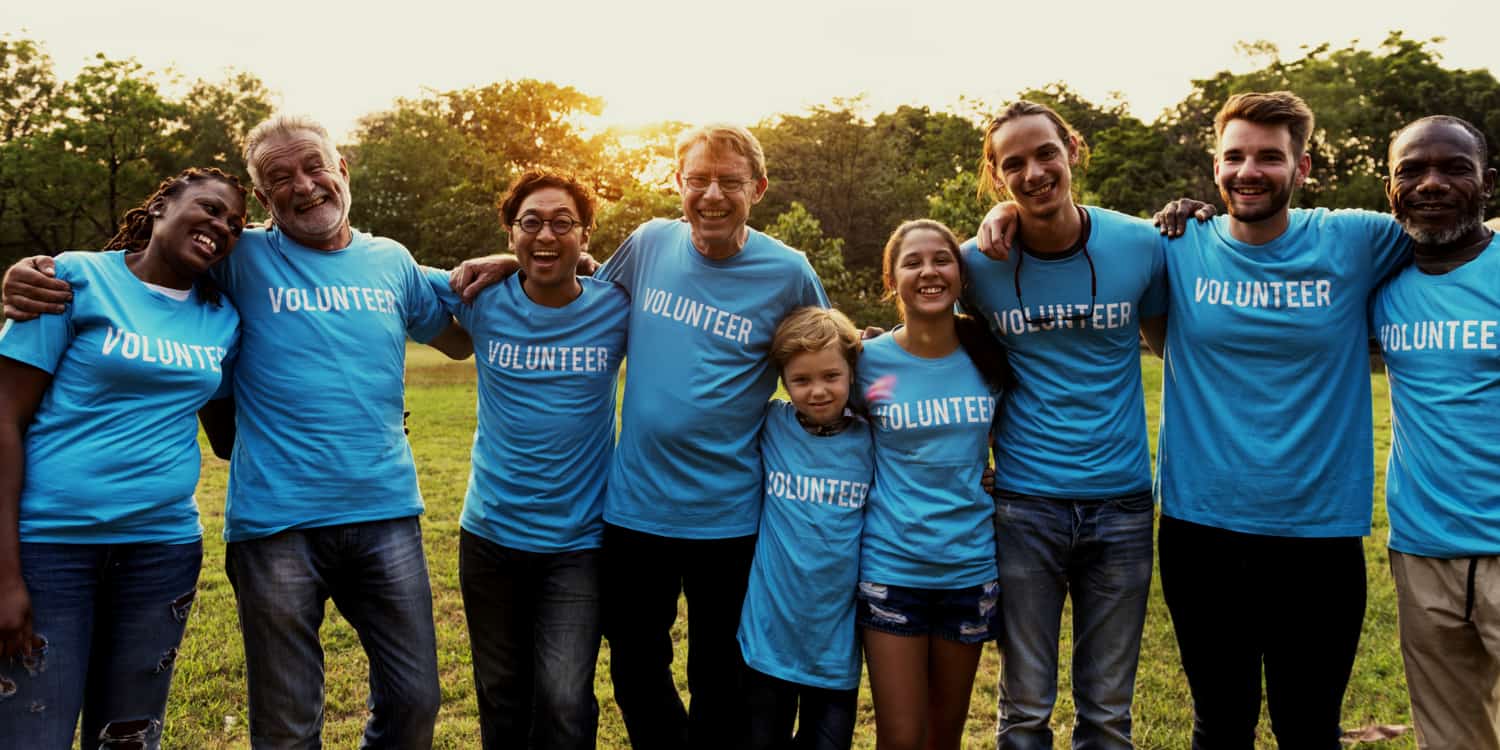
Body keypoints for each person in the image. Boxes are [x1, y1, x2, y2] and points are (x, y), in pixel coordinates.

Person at [2, 114, 472, 748]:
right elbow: (146, 269)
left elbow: (460, 332)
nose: (304, 186)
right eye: (279, 177)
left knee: (416, 700)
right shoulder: (237, 253)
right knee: (285, 722)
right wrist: (30, 274)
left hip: (383, 509)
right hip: (273, 524)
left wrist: (539, 262)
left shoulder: (393, 261)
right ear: (264, 199)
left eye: (314, 166)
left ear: (342, 170)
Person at [452, 123, 827, 749]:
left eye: (729, 182)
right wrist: (513, 258)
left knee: (720, 678)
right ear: (677, 183)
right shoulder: (652, 242)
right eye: (698, 179)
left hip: (730, 515)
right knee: (634, 674)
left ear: (757, 188)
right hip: (632, 512)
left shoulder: (788, 272)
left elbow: (824, 353)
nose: (712, 195)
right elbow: (590, 282)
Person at [0, 167, 247, 749]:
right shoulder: (74, 279)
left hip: (160, 553)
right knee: (30, 733)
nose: (221, 226)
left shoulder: (222, 318)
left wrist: (353, 420)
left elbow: (228, 437)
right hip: (49, 549)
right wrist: (4, 574)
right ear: (161, 205)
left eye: (235, 224)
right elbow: (4, 420)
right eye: (210, 209)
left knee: (128, 739)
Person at [959, 101, 1167, 750]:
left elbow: (1170, 344)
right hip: (1026, 506)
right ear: (996, 177)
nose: (1033, 172)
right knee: (1023, 710)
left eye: (1045, 153)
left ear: (1072, 149)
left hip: (1124, 504)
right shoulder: (976, 264)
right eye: (1012, 164)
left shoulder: (1139, 244)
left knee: (1108, 714)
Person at [425, 170, 628, 749]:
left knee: (564, 697)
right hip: (490, 537)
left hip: (579, 543)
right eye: (530, 223)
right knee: (501, 691)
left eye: (563, 223)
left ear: (586, 236)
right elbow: (391, 279)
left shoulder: (617, 308)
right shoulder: (478, 299)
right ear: (510, 233)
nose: (546, 234)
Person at [854, 219, 1008, 750]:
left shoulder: (989, 355)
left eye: (941, 260)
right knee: (900, 738)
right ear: (891, 279)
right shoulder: (865, 361)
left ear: (961, 274)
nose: (928, 272)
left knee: (945, 737)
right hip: (892, 566)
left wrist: (997, 477)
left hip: (970, 568)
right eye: (912, 262)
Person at [1371, 115, 1500, 750]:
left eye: (1454, 168)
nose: (1432, 183)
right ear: (1388, 187)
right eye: (1412, 170)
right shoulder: (1377, 278)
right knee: (1451, 739)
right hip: (1422, 550)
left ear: (1488, 183)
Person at [738, 306, 873, 750]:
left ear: (852, 372)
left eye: (831, 376)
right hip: (767, 644)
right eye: (801, 380)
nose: (818, 391)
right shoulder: (771, 424)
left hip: (834, 651)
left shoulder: (874, 440)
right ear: (782, 381)